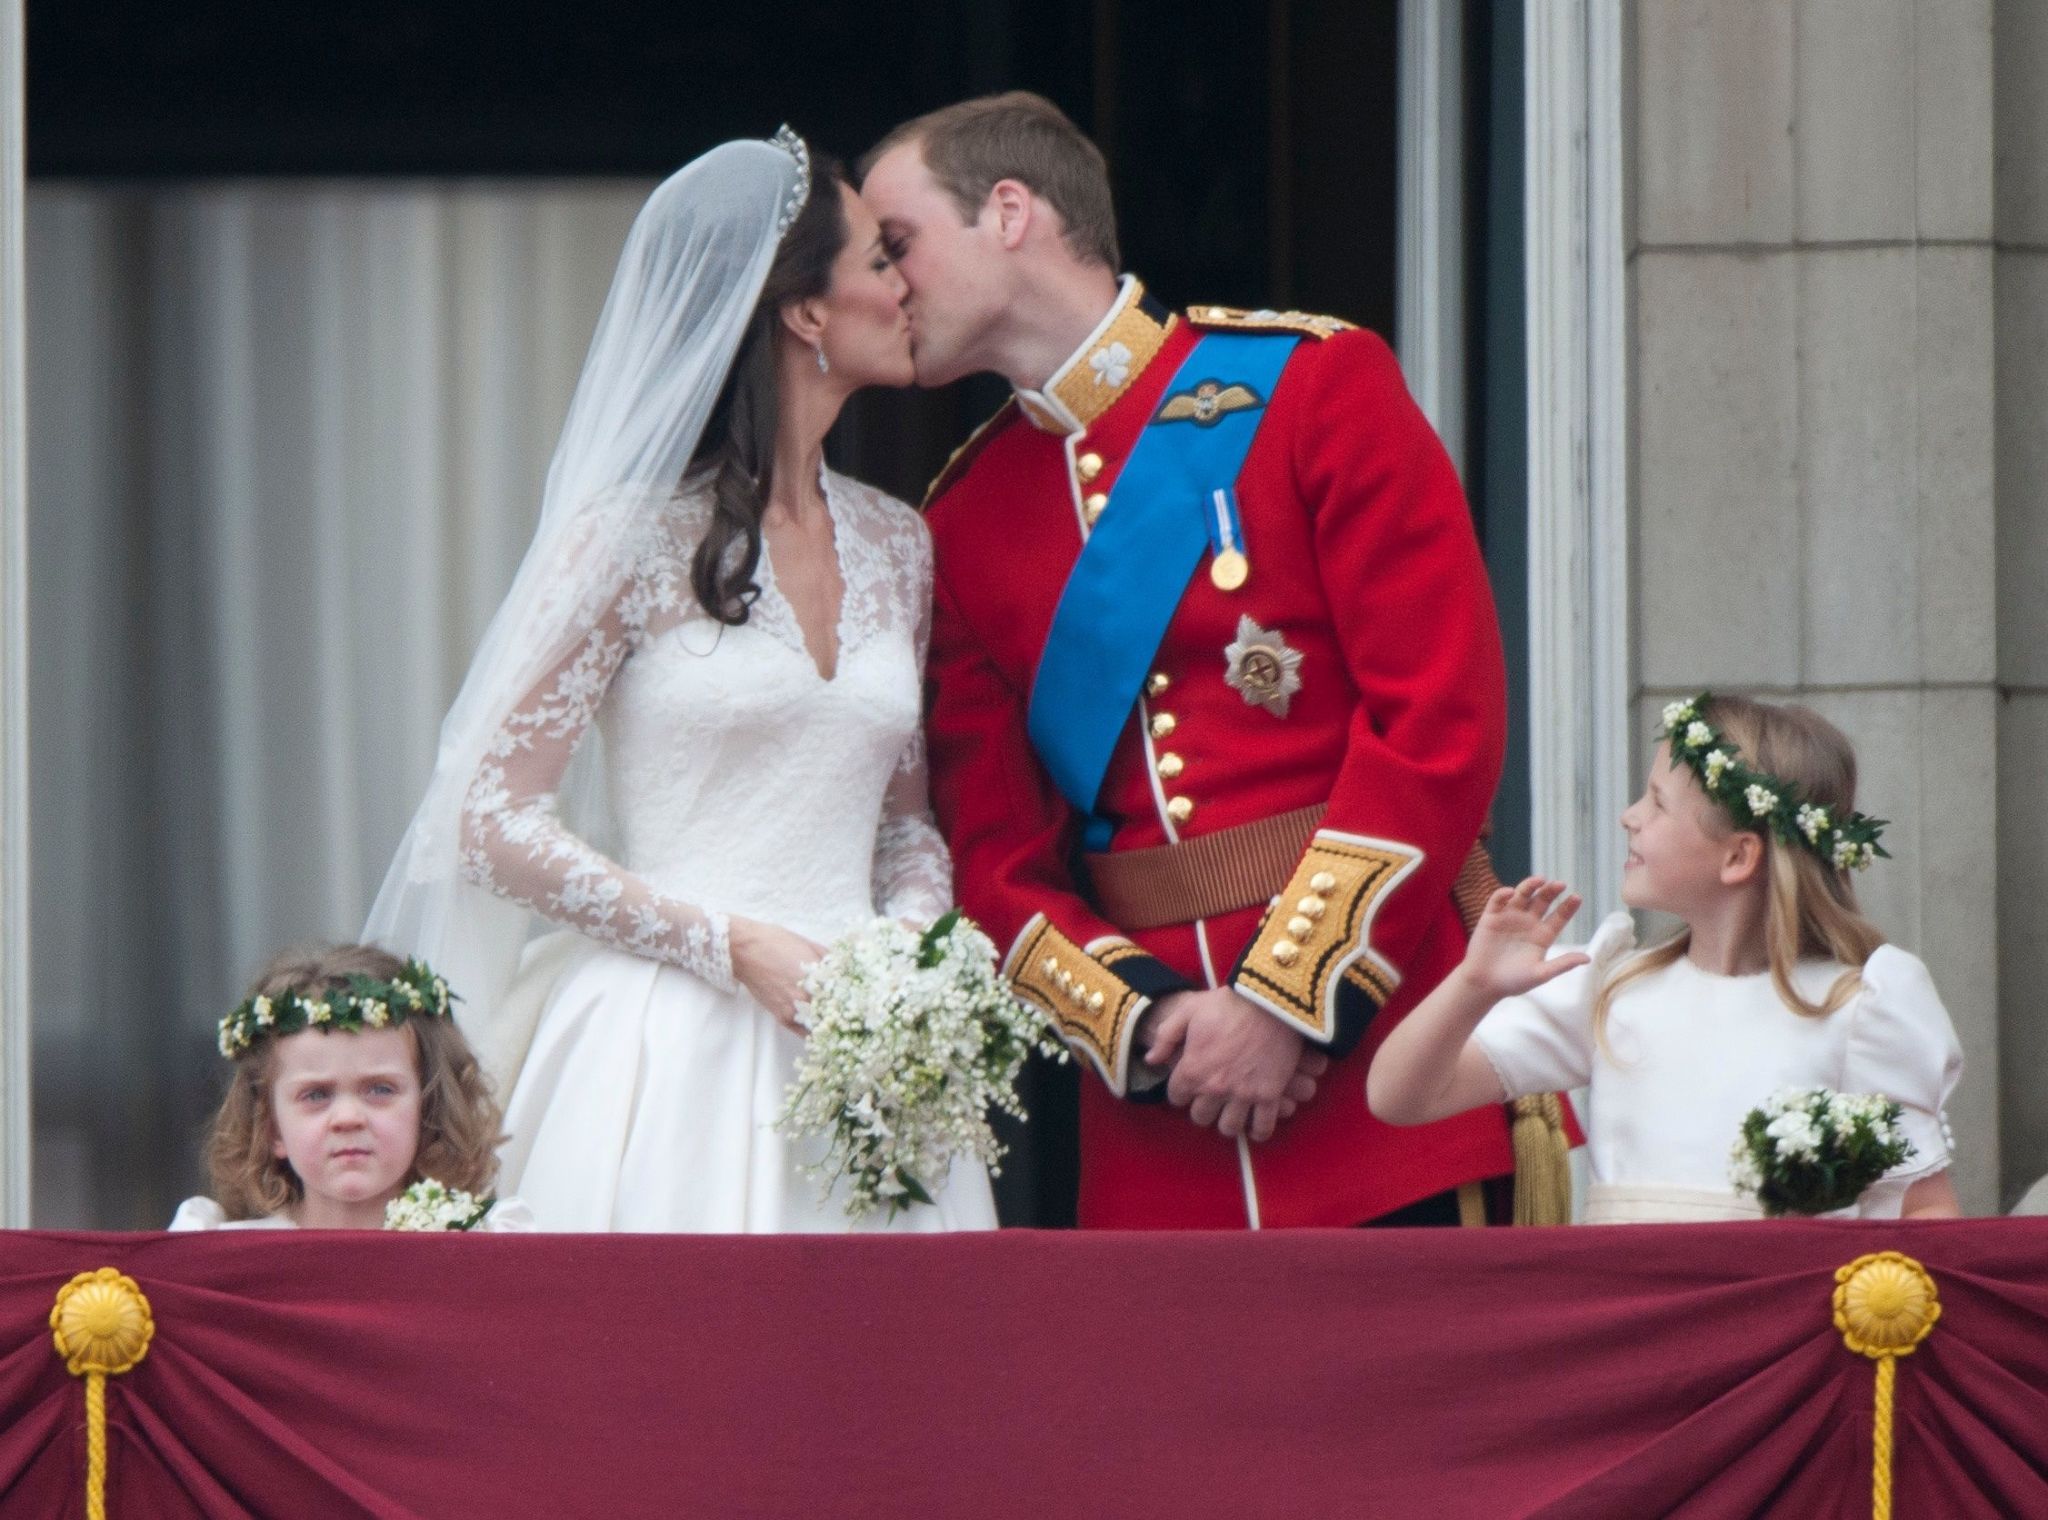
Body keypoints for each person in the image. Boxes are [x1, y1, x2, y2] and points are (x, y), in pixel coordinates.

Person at [861, 93, 1546, 1229]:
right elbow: (991, 857)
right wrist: (1147, 1022)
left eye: (899, 245)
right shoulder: (962, 521)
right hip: (1160, 1130)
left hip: (1387, 1076)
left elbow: (1438, 722)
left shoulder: (1313, 386)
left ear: (1009, 212)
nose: (886, 286)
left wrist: (1283, 1002)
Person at [364, 129, 995, 1232]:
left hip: (871, 1062)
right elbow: (484, 812)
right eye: (880, 261)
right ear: (804, 310)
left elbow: (902, 824)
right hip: (667, 1048)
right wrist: (728, 942)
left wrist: (908, 953)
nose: (907, 288)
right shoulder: (627, 539)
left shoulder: (898, 542)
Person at [1367, 694, 1964, 1222]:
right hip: (1630, 1324)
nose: (1629, 816)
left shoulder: (1858, 1010)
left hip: (1785, 1334)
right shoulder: (1609, 991)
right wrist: (1475, 984)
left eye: (1656, 803)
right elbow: (1400, 1097)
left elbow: (1927, 1209)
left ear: (1738, 857)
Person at [170, 945, 534, 1232]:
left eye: (379, 1089)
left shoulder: (485, 1247)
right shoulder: (220, 1256)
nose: (347, 1118)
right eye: (316, 1095)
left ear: (428, 1108)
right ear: (271, 1127)